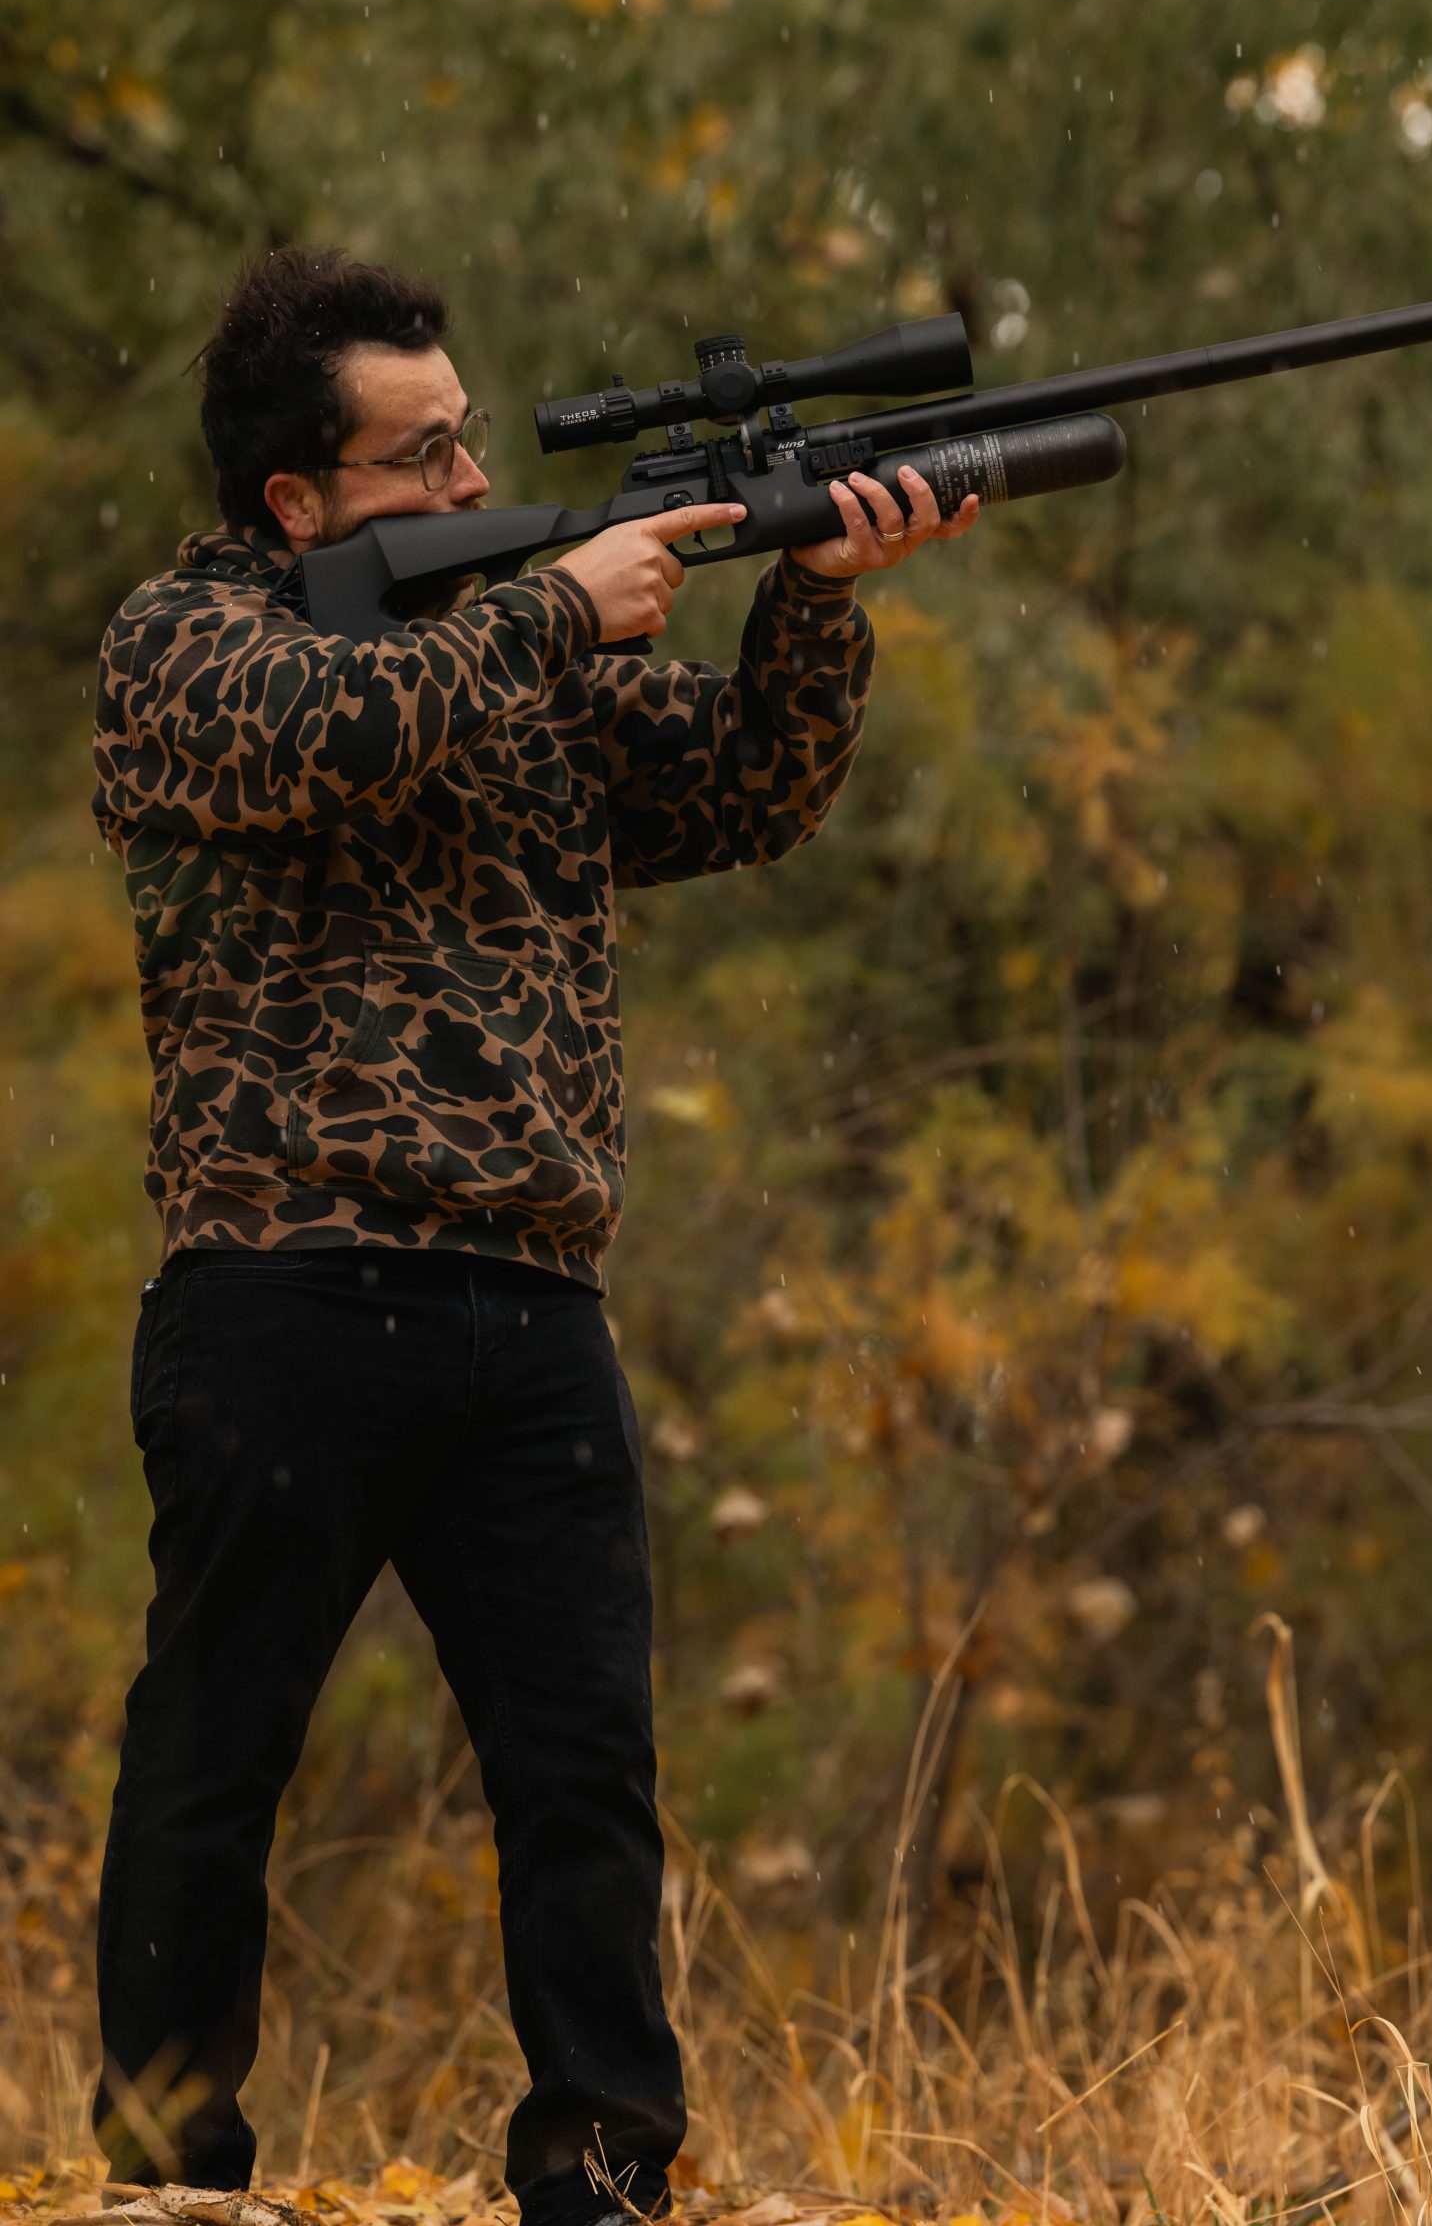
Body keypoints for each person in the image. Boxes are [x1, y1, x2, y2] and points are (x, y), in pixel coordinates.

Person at [88, 246, 978, 2226]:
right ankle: (168, 2170)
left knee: (582, 1773)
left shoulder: (520, 647)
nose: (471, 473)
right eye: (423, 456)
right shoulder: (187, 641)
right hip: (282, 1288)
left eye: (472, 433)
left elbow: (746, 793)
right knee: (216, 1753)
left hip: (529, 1304)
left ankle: (597, 2159)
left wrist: (814, 597)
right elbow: (313, 735)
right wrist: (554, 609)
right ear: (297, 504)